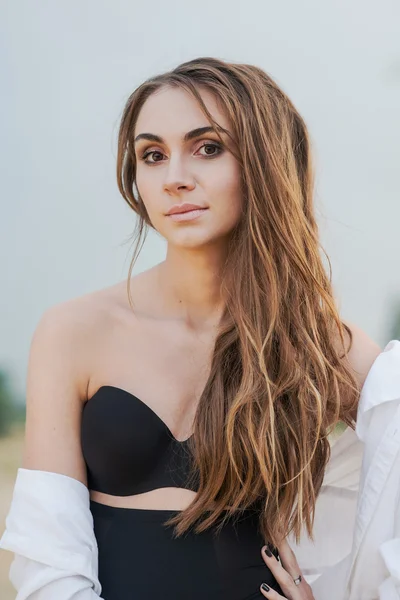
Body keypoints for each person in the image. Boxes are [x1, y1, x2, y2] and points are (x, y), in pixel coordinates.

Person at [1, 57, 399, 600]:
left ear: (264, 160)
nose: (175, 178)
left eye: (208, 147)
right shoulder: (74, 331)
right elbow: (47, 551)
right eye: (152, 155)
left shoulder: (316, 341)